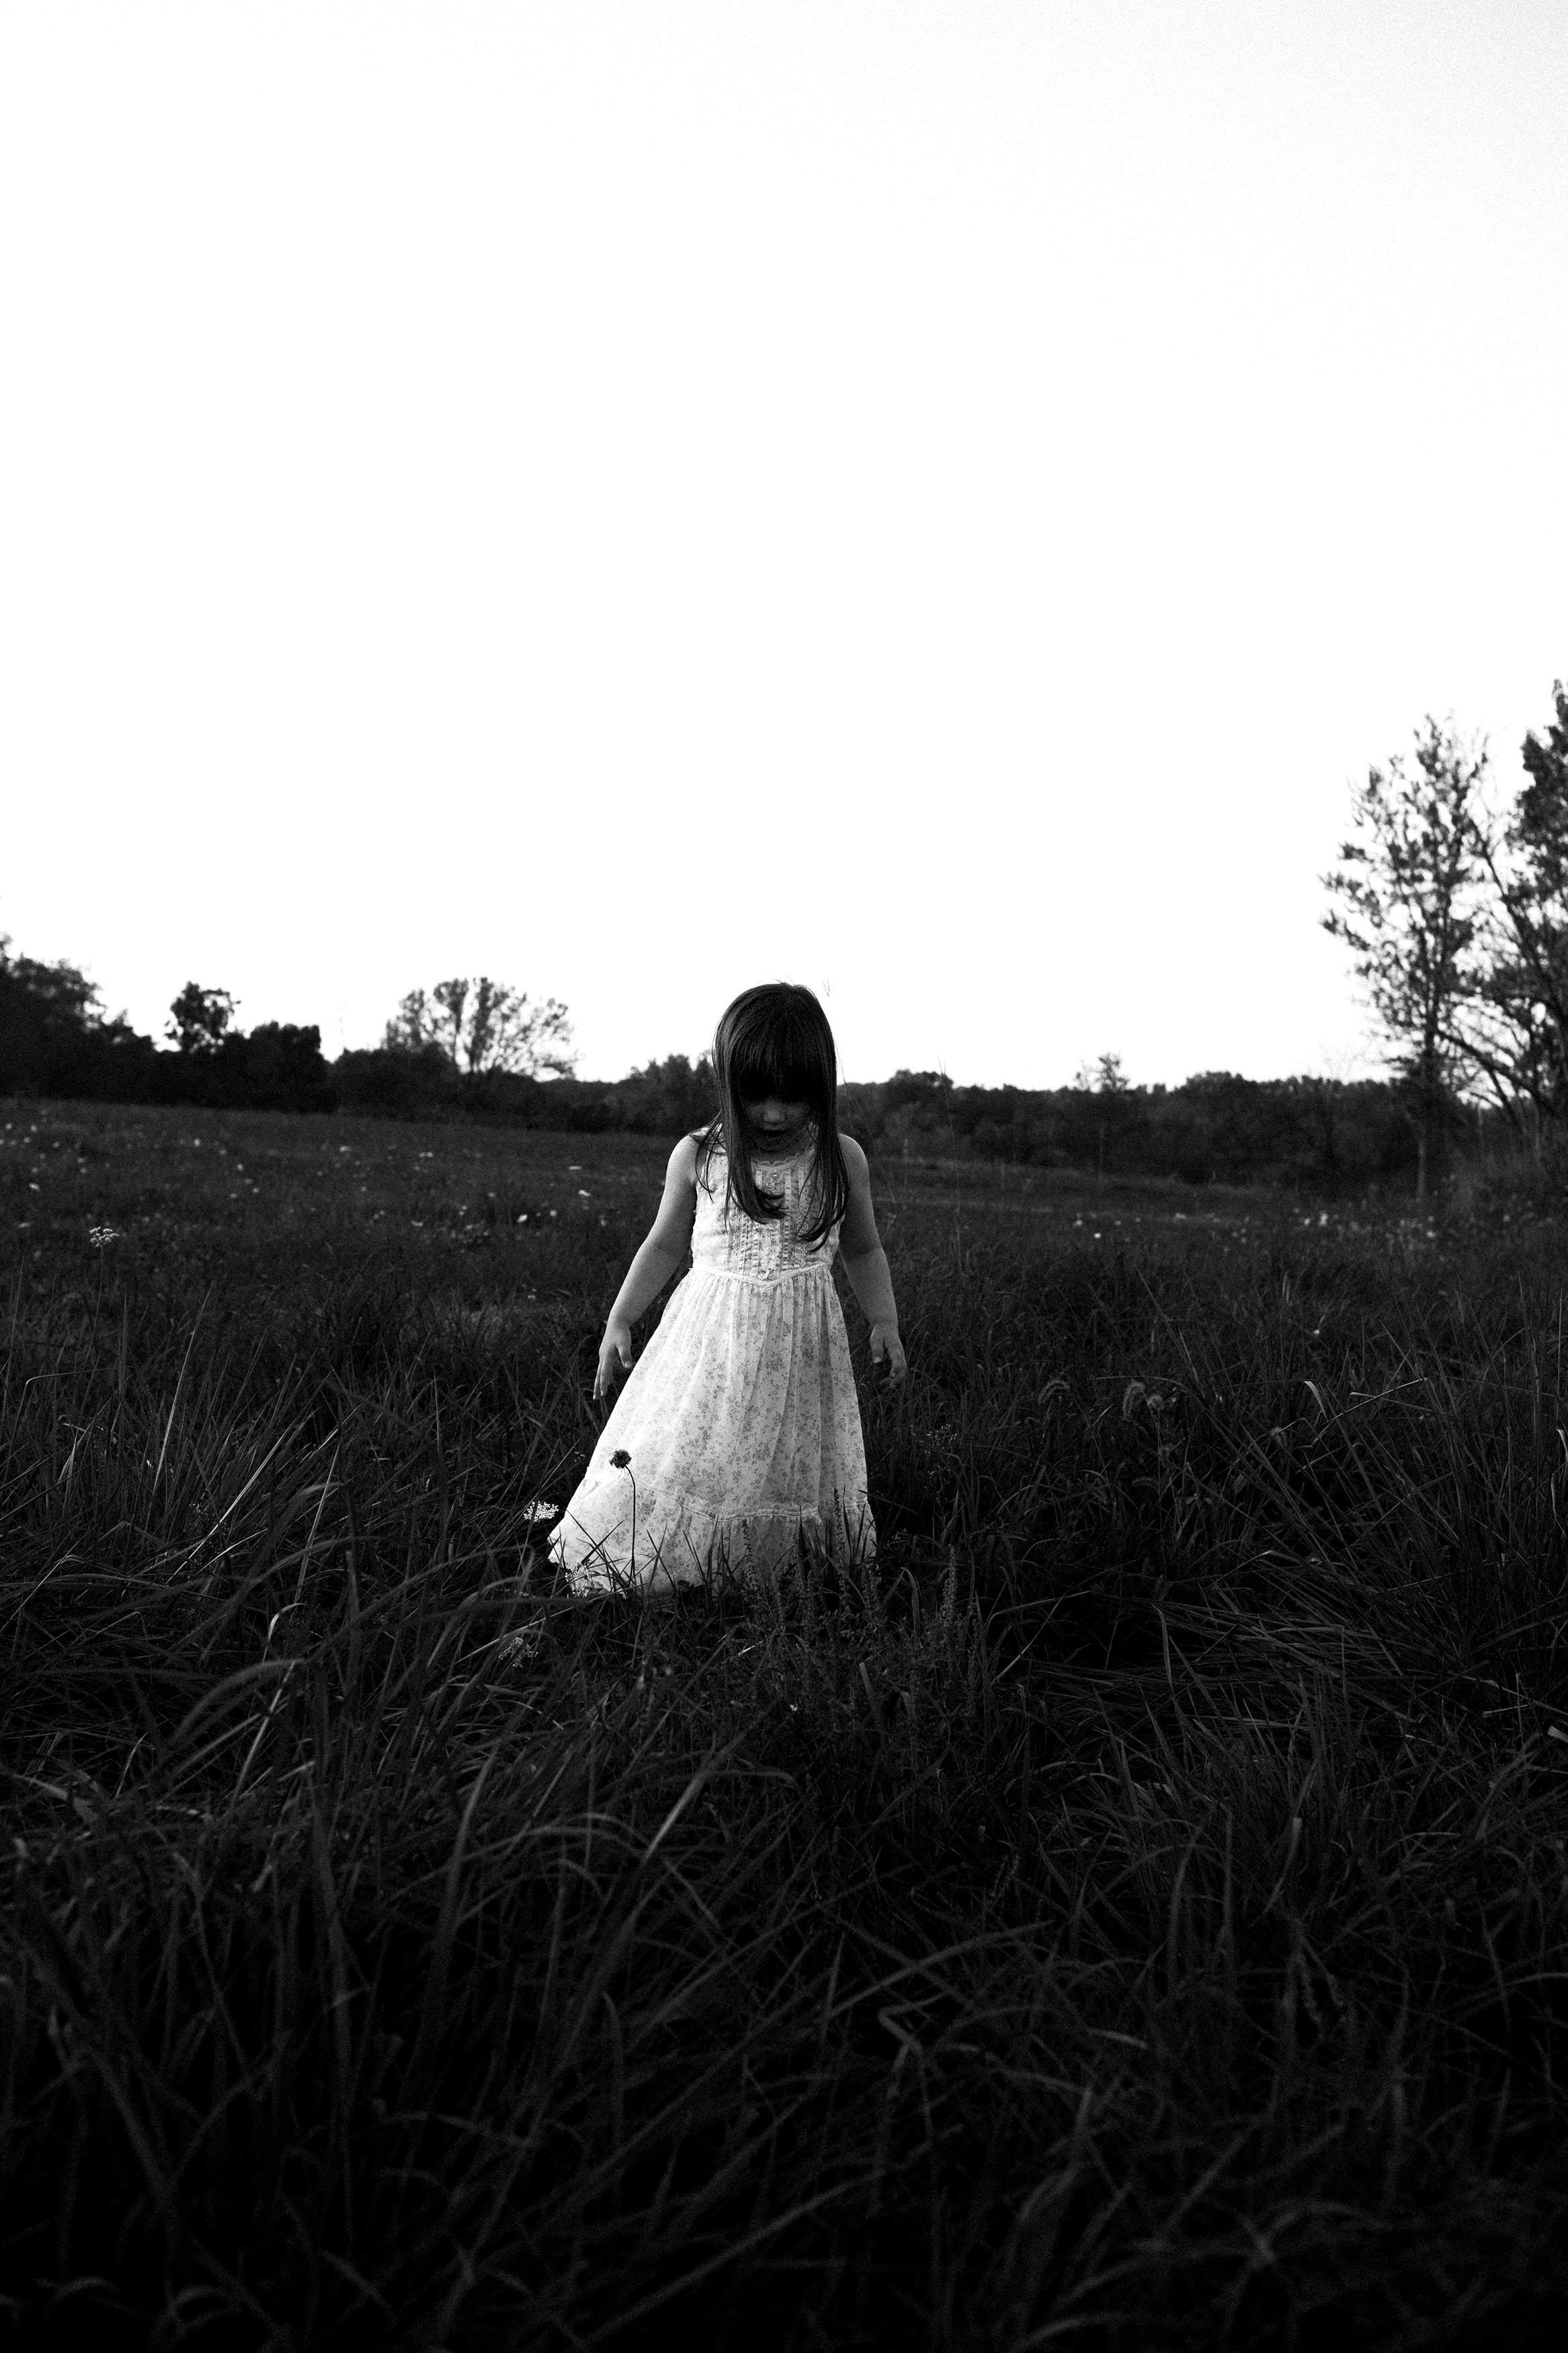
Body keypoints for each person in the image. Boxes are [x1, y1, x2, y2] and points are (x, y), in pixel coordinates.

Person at [546, 982, 907, 1597]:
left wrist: (884, 1321)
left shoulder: (841, 1158)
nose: (772, 1113)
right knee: (691, 1450)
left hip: (799, 1352)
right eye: (755, 1094)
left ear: (821, 1084)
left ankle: (763, 1575)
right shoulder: (698, 1155)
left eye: (792, 1097)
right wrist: (620, 1318)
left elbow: (863, 1247)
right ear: (728, 1081)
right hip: (708, 1347)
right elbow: (663, 1243)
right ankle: (673, 1568)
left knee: (784, 1462)